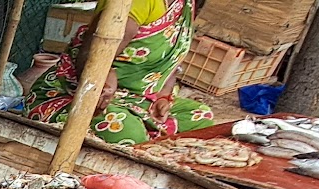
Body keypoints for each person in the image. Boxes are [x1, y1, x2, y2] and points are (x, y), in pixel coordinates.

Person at [23, 0, 215, 145]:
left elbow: (172, 60)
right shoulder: (136, 3)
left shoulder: (186, 5)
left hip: (138, 100)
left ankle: (149, 142)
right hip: (77, 95)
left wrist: (164, 97)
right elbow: (92, 52)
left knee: (201, 116)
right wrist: (104, 75)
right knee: (128, 132)